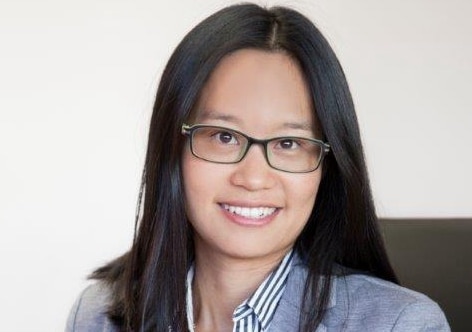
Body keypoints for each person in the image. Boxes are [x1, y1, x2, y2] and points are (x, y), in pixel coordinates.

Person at [66, 3, 450, 332]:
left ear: (326, 167)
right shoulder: (100, 314)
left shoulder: (400, 324)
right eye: (223, 136)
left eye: (288, 144)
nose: (252, 178)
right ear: (172, 148)